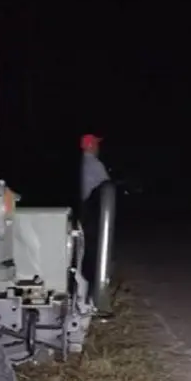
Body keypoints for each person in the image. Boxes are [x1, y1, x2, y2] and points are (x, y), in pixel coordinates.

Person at [78, 133, 113, 315]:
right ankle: (94, 298)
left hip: (84, 210)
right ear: (91, 146)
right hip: (92, 212)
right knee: (94, 253)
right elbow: (106, 186)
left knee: (85, 252)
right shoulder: (94, 164)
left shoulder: (82, 163)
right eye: (96, 144)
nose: (99, 147)